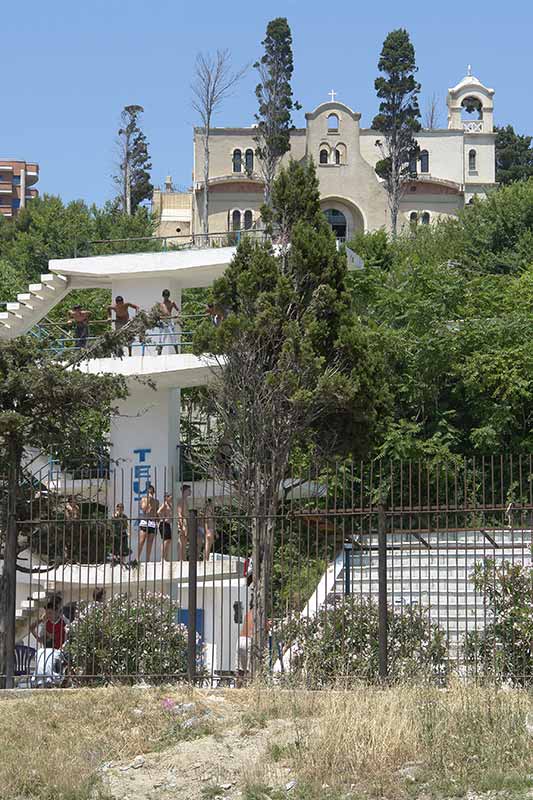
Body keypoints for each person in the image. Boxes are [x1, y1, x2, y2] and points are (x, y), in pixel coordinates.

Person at [137, 485, 158, 562]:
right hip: (145, 521)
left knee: (150, 541)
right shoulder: (144, 499)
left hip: (152, 522)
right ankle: (137, 558)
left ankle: (148, 559)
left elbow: (156, 512)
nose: (150, 493)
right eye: (149, 491)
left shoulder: (156, 501)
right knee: (142, 540)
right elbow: (144, 509)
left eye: (152, 491)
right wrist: (148, 500)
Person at [157, 289, 180, 354]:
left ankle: (177, 353)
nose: (166, 297)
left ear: (168, 296)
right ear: (163, 296)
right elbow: (158, 315)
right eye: (165, 296)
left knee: (173, 338)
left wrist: (177, 315)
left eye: (167, 296)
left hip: (170, 322)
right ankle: (159, 354)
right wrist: (160, 318)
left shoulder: (172, 303)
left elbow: (178, 310)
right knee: (161, 339)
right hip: (163, 323)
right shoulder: (161, 305)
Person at [176, 485, 191, 561]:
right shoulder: (181, 500)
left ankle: (183, 558)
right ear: (185, 491)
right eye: (189, 490)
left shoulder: (185, 500)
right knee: (181, 540)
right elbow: (179, 513)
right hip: (183, 522)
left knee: (184, 541)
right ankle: (180, 559)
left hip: (186, 521)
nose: (190, 492)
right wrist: (182, 525)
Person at [158, 493, 173, 562]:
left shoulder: (170, 505)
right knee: (165, 540)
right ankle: (162, 558)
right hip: (163, 524)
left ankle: (166, 557)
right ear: (166, 498)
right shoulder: (164, 504)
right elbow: (158, 512)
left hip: (167, 524)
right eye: (170, 497)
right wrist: (163, 518)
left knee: (168, 540)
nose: (171, 498)